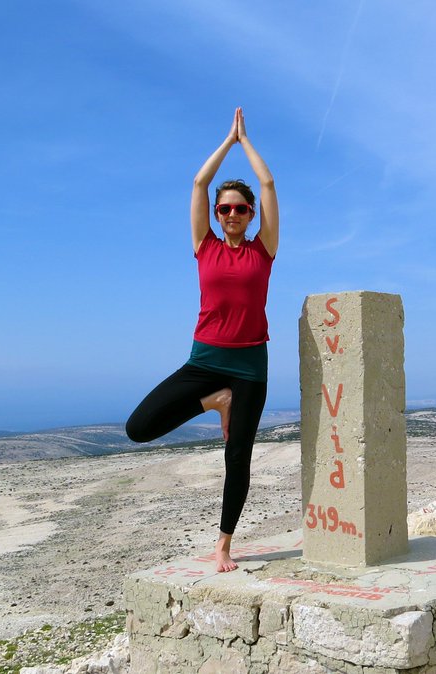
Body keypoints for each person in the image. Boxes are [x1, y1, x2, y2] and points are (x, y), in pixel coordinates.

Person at [125, 108, 278, 573]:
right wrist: (227, 143)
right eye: (225, 208)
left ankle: (224, 545)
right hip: (205, 361)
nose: (233, 213)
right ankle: (216, 402)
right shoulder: (204, 245)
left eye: (240, 208)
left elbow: (268, 186)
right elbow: (197, 183)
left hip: (250, 366)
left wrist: (248, 144)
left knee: (238, 458)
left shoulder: (263, 249)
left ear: (251, 215)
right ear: (216, 214)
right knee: (139, 428)